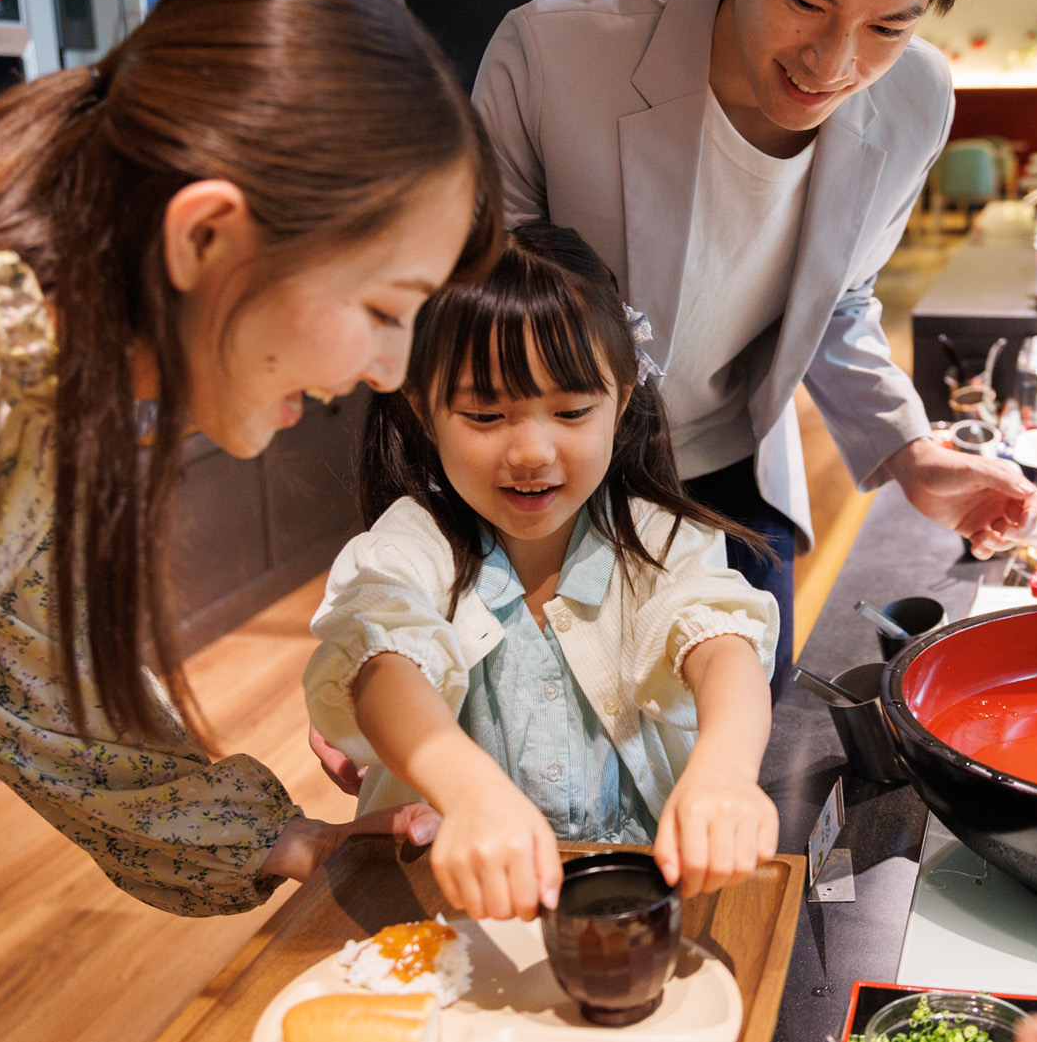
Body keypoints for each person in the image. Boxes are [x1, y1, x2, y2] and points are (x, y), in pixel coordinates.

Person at [0, 0, 498, 1033]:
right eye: (382, 305)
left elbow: (50, 680)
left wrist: (283, 840)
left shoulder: (37, 376)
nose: (390, 370)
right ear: (204, 237)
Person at [472, 0, 1037, 687]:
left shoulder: (915, 98)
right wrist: (401, 610)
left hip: (736, 478)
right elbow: (475, 321)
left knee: (748, 753)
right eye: (805, 1)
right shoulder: (556, 49)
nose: (833, 62)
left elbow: (838, 301)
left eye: (888, 25)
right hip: (541, 484)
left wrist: (910, 450)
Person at [303, 221, 780, 921]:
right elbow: (379, 657)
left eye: (571, 410)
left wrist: (727, 768)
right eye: (486, 413)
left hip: (634, 906)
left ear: (621, 399)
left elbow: (720, 643)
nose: (530, 450)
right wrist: (466, 791)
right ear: (424, 411)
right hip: (447, 911)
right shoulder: (412, 545)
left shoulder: (657, 536)